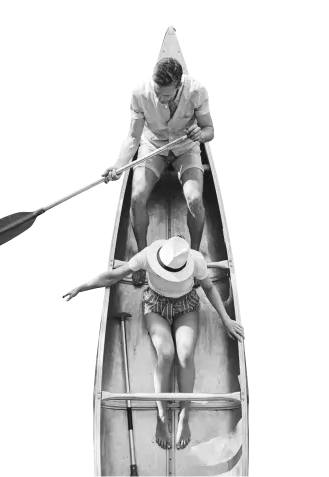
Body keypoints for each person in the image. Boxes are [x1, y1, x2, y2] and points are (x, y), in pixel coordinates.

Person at [64, 235, 244, 451]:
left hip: (186, 306)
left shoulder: (195, 259)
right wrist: (84, 286)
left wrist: (226, 320)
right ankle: (161, 416)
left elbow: (209, 288)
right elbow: (113, 275)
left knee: (185, 354)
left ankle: (184, 415)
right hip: (155, 305)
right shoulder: (147, 255)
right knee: (166, 353)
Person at [103, 57, 216, 286]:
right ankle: (141, 258)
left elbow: (210, 131)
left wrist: (201, 134)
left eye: (166, 95)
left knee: (195, 199)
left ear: (179, 86)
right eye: (157, 93)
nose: (160, 99)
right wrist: (118, 165)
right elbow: (134, 138)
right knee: (137, 197)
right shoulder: (139, 93)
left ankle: (195, 258)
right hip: (153, 146)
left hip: (186, 147)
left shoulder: (197, 91)